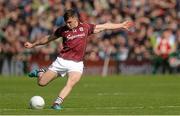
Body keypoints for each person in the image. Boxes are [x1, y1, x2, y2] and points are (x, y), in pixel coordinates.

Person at [24, 9, 134, 110]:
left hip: (77, 63)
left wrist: (121, 25)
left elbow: (104, 26)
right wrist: (33, 44)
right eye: (66, 22)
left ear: (76, 19)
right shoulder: (63, 30)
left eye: (69, 22)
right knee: (42, 83)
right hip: (62, 61)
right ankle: (40, 73)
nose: (67, 24)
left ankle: (56, 103)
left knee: (71, 82)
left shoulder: (86, 27)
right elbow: (48, 38)